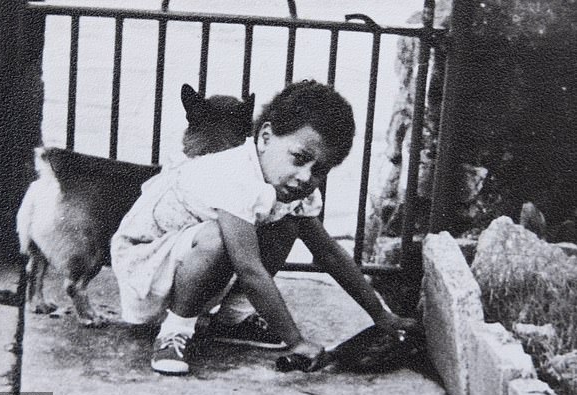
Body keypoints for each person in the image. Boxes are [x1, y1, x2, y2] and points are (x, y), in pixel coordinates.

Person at [110, 80, 416, 375]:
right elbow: (250, 270)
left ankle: (231, 318)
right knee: (218, 237)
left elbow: (330, 254)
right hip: (147, 266)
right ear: (266, 137)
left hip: (188, 261)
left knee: (287, 224)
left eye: (319, 169)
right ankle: (174, 331)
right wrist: (296, 341)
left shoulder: (293, 188)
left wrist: (381, 315)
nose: (305, 177)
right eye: (299, 159)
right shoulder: (237, 178)